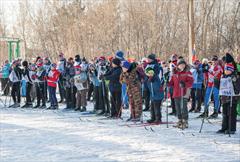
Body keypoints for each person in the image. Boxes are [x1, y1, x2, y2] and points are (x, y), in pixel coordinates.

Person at [217, 53, 240, 134]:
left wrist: (233, 81)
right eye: (226, 68)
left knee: (231, 112)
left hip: (232, 97)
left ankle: (231, 128)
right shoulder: (224, 75)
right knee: (225, 112)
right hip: (224, 96)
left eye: (228, 69)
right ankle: (224, 127)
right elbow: (220, 85)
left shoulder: (235, 75)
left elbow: (237, 86)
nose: (226, 71)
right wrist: (217, 81)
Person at [169, 59, 194, 129]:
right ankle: (180, 120)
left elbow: (191, 81)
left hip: (184, 92)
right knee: (178, 107)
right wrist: (167, 82)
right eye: (181, 64)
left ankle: (185, 120)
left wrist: (185, 84)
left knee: (183, 107)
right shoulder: (174, 72)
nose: (182, 66)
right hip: (176, 92)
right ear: (178, 65)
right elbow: (172, 82)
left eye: (183, 64)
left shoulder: (187, 72)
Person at [145, 54, 164, 123]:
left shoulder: (156, 65)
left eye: (149, 59)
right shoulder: (147, 65)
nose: (148, 60)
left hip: (156, 84)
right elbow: (146, 73)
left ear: (152, 59)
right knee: (152, 102)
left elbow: (157, 73)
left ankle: (158, 118)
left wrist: (152, 77)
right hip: (150, 85)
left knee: (156, 102)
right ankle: (153, 117)